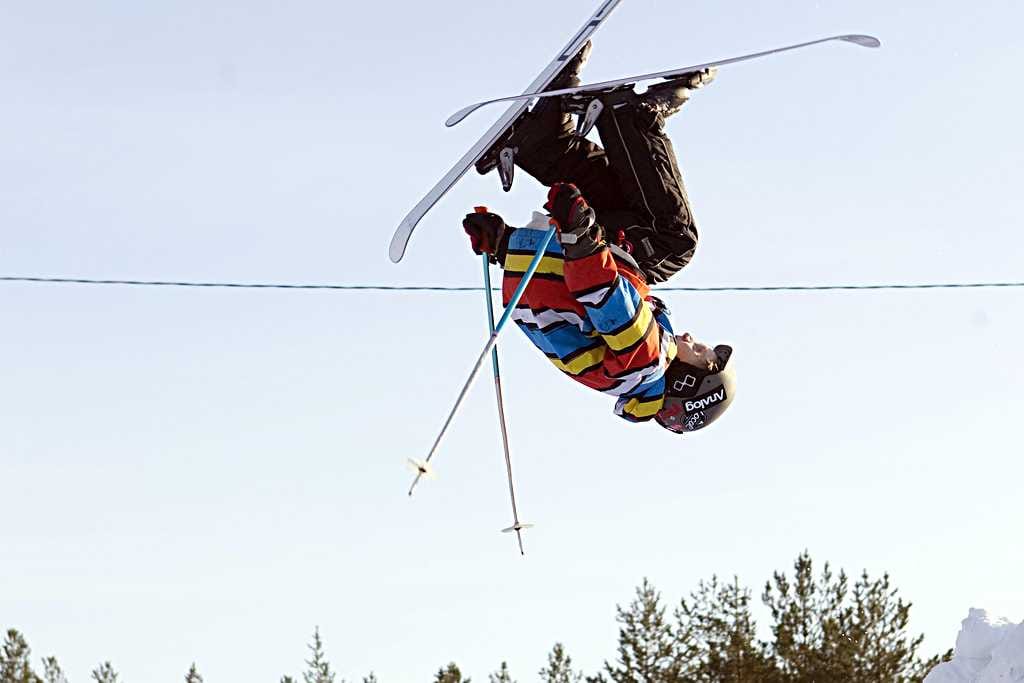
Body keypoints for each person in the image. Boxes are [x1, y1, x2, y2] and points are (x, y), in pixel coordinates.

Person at [462, 42, 736, 434]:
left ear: (692, 382)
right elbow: (561, 314)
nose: (695, 339)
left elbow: (604, 298)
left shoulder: (647, 358)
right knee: (634, 232)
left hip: (578, 264)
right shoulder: (629, 375)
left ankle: (630, 115)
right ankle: (543, 144)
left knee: (674, 242)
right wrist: (503, 244)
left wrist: (581, 237)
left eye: (704, 353)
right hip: (550, 270)